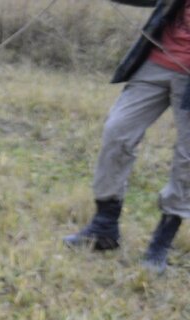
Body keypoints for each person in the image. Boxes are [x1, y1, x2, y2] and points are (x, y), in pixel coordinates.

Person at [64, 0, 190, 274]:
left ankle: (161, 242)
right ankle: (105, 225)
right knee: (117, 131)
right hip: (158, 61)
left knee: (187, 159)